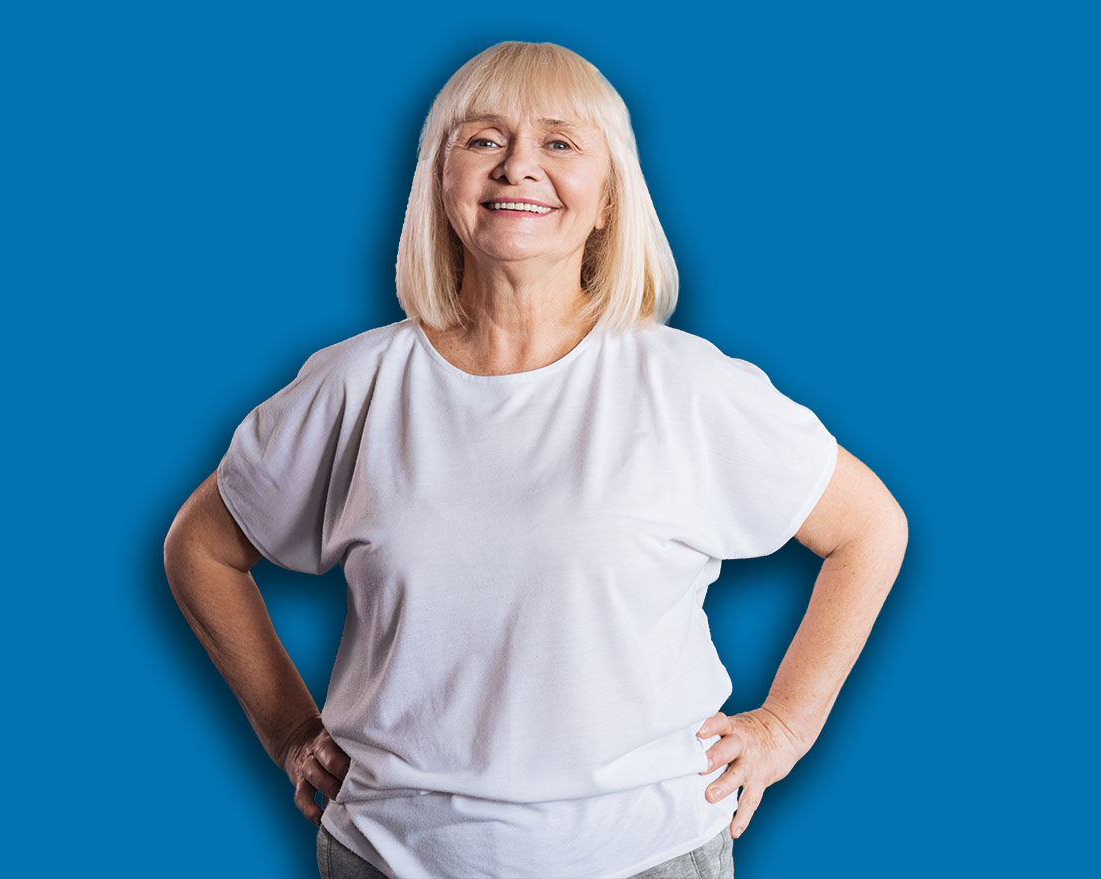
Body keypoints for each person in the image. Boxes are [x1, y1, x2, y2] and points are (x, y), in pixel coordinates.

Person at [163, 40, 908, 879]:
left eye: (560, 142)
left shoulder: (687, 385)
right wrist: (291, 732)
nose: (519, 166)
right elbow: (201, 547)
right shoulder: (356, 384)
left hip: (647, 853)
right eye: (483, 139)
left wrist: (786, 727)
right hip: (389, 856)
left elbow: (869, 527)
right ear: (441, 182)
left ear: (606, 201)